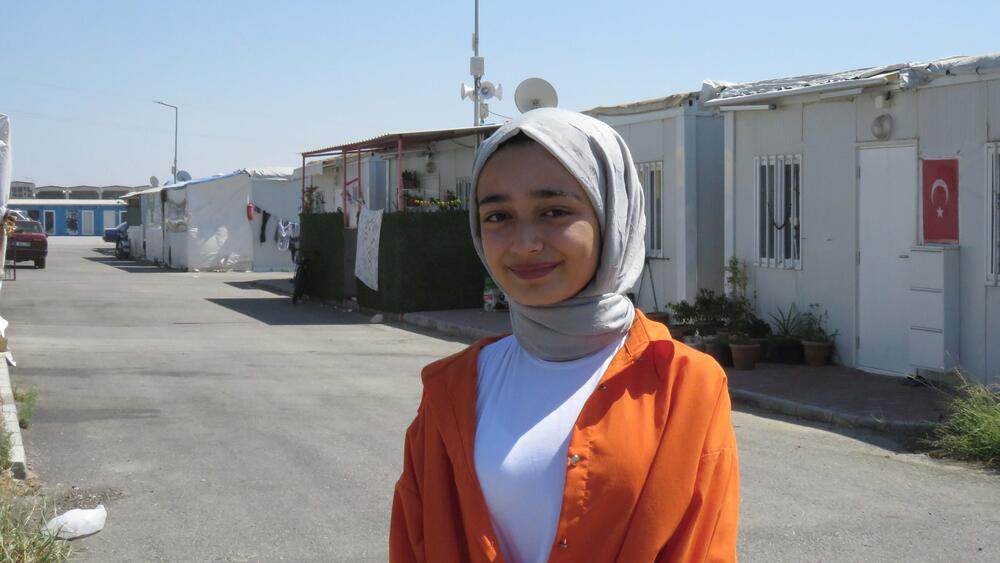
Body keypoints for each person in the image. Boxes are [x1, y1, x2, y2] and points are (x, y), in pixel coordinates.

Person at [390, 108, 739, 562]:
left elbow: (701, 548)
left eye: (555, 211)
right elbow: (414, 543)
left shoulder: (684, 386)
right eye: (498, 216)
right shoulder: (451, 391)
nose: (525, 242)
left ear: (611, 216)